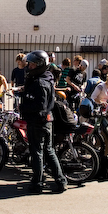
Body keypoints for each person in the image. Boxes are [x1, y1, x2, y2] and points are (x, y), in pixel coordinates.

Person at [19, 50, 66, 194]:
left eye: (32, 64)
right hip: (47, 120)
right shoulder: (47, 77)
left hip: (38, 121)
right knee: (49, 150)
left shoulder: (39, 83)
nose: (29, 66)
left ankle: (37, 183)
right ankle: (60, 180)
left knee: (37, 152)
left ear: (40, 65)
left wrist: (23, 107)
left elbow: (38, 106)